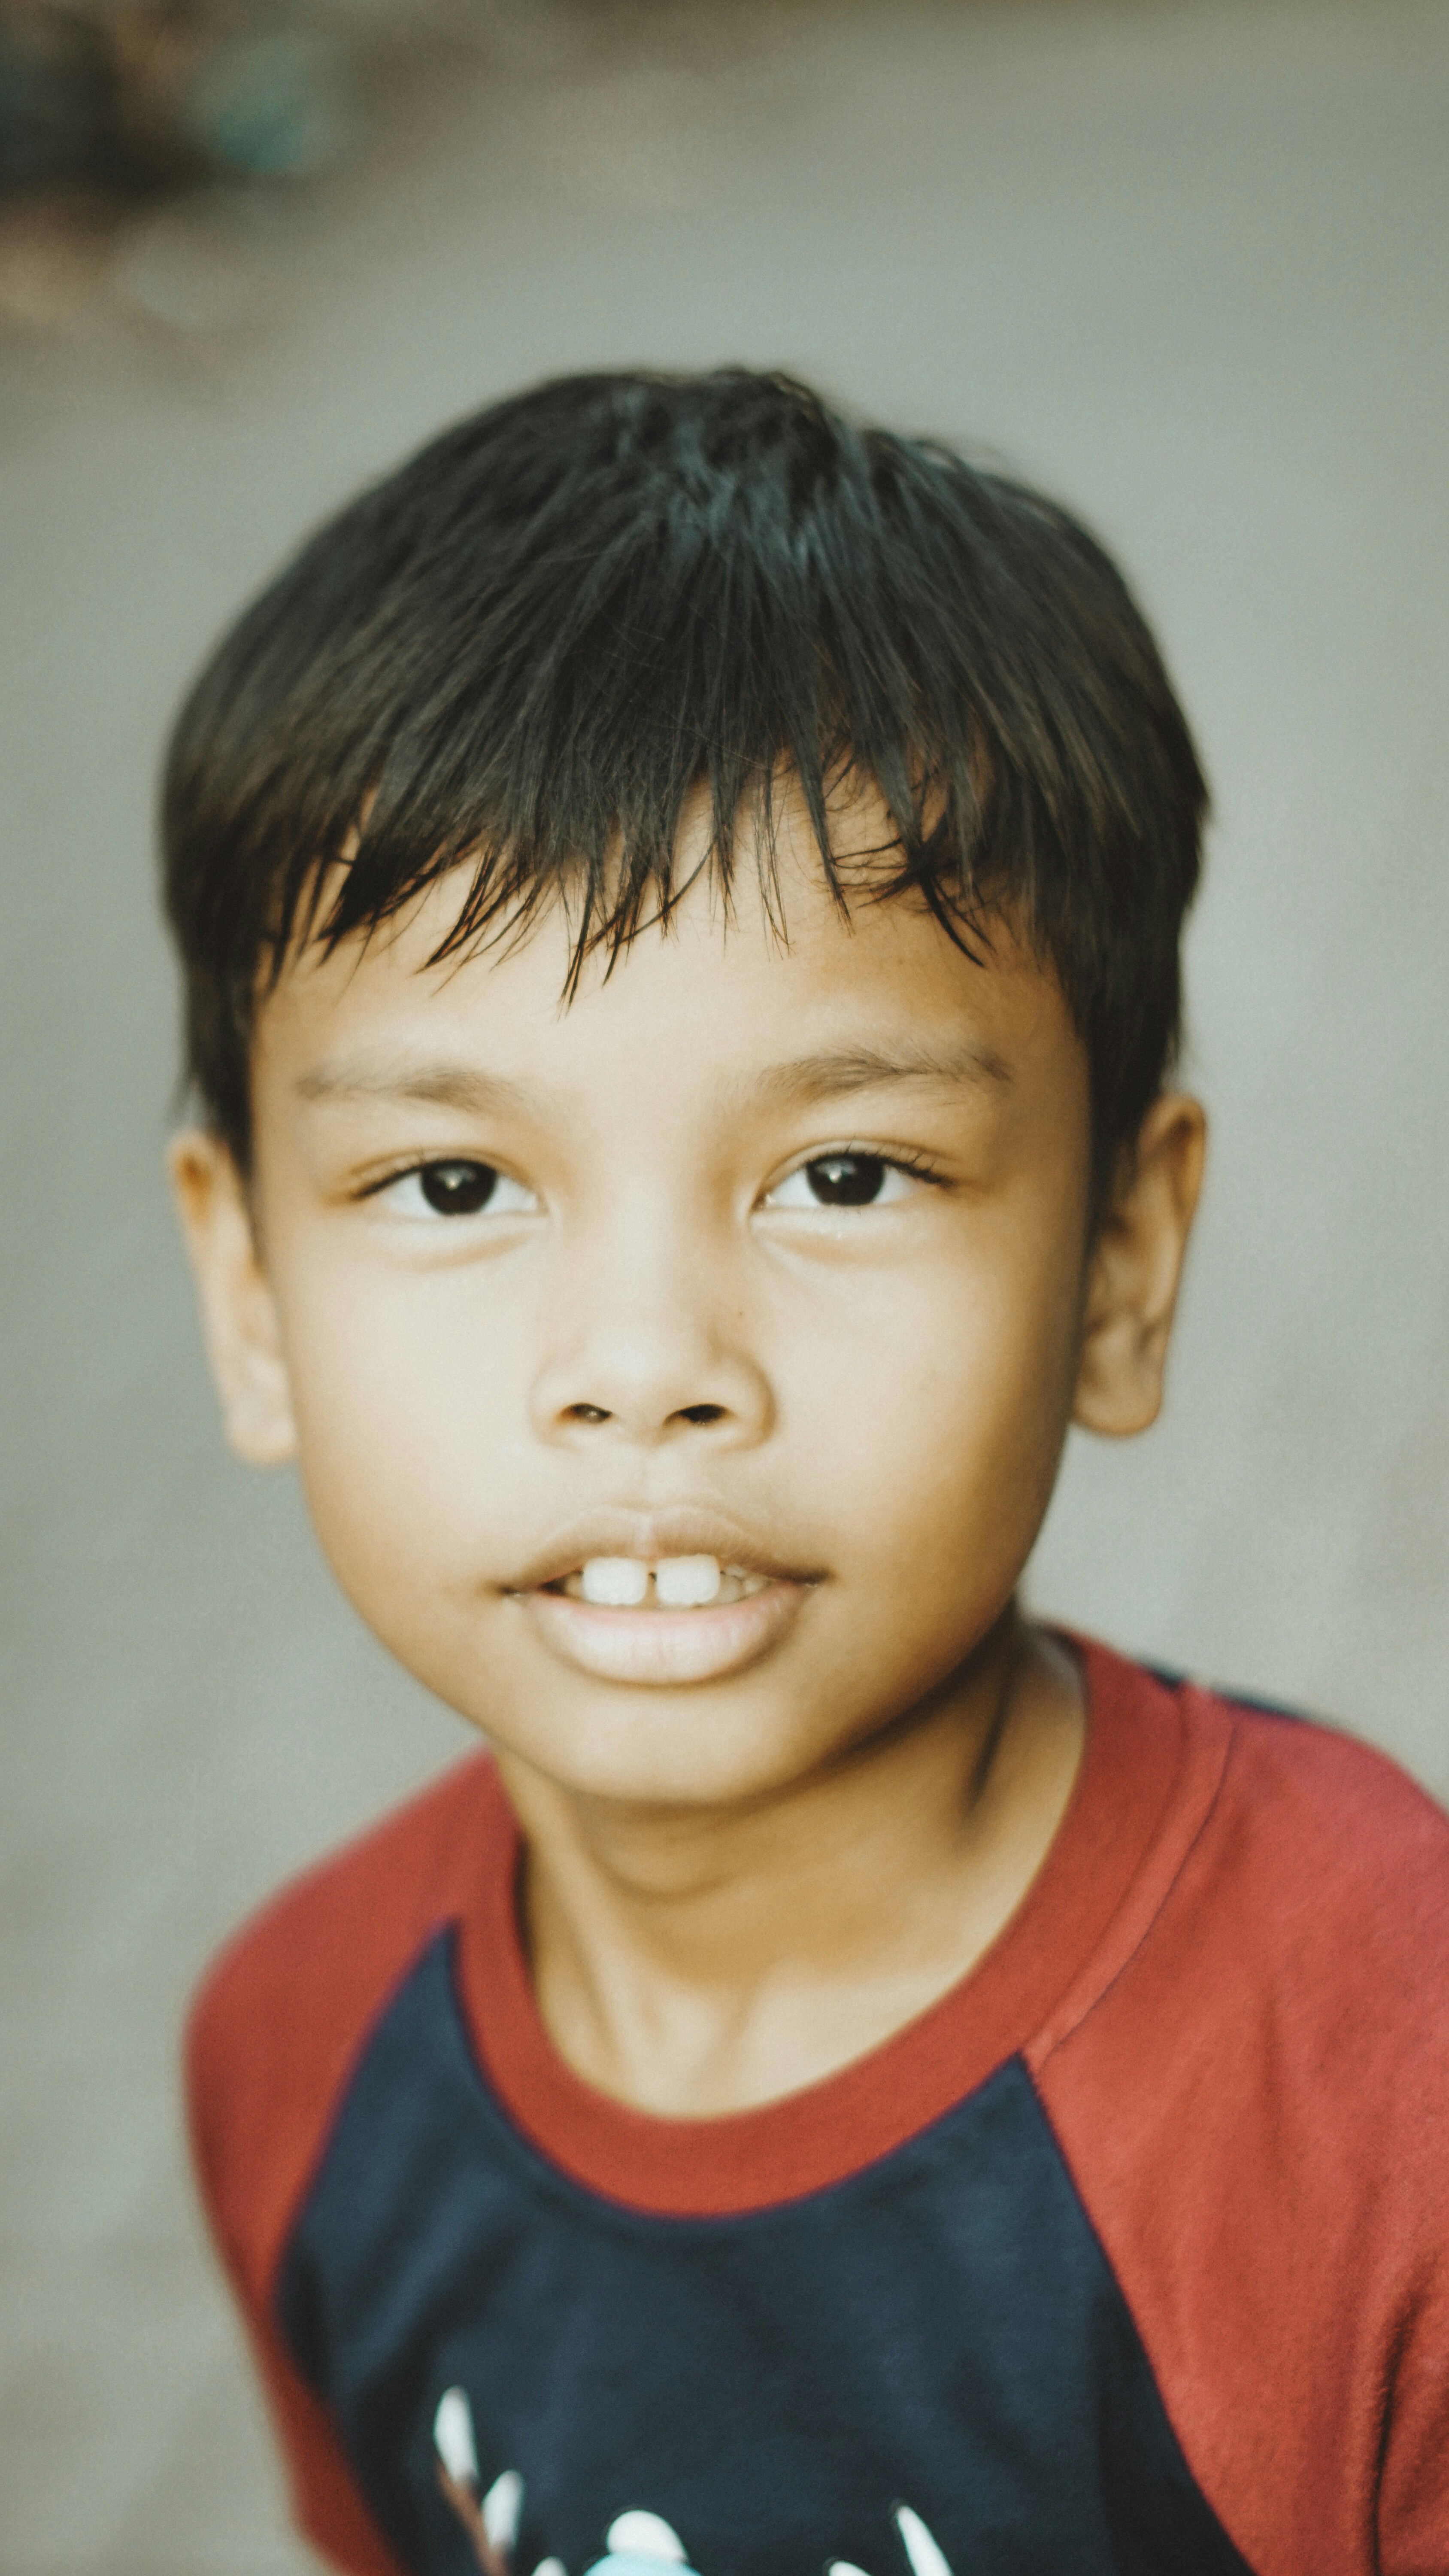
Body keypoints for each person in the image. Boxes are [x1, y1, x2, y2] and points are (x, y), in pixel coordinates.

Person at [164, 370, 1448, 2576]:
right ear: (250, 1288)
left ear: (1120, 1261)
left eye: (845, 1170)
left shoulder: (1380, 2094)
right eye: (456, 1183)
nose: (647, 1367)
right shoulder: (298, 2059)